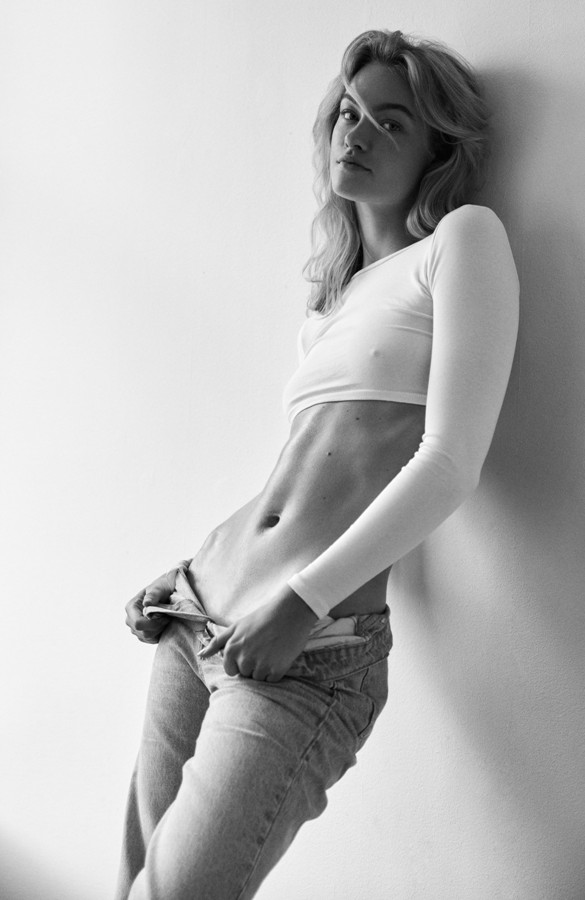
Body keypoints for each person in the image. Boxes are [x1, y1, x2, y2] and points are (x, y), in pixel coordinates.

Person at [116, 28, 519, 900]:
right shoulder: (327, 308)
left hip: (308, 642)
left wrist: (301, 603)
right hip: (195, 609)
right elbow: (296, 478)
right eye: (348, 112)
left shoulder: (461, 242)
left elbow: (449, 464)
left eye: (391, 121)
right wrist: (188, 569)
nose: (356, 132)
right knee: (133, 881)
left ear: (436, 151)